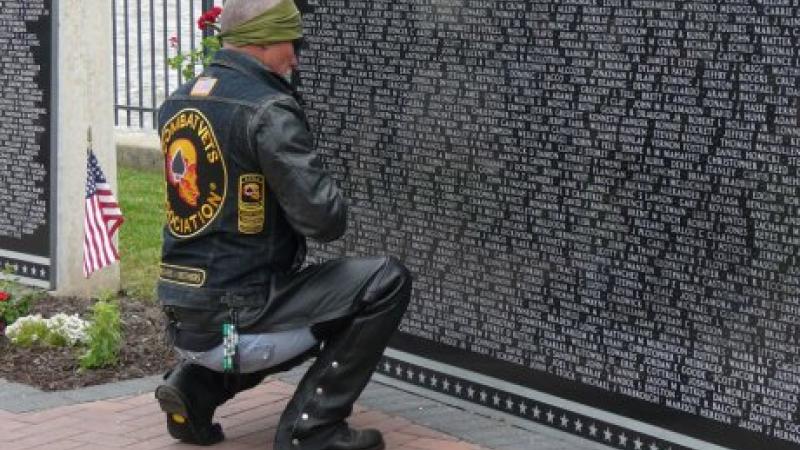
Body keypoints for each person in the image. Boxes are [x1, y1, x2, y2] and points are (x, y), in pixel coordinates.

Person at [154, 1, 412, 449]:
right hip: (240, 322)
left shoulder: (177, 101)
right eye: (291, 42)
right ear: (263, 40)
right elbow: (324, 220)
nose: (295, 55)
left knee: (307, 300)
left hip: (189, 323)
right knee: (383, 282)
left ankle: (193, 389)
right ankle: (313, 428)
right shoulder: (268, 109)